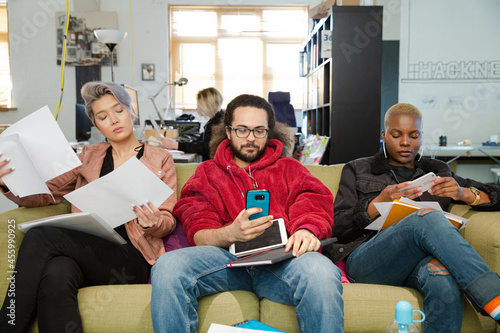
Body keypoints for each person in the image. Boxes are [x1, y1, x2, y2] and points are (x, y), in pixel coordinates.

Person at [150, 94, 344, 333]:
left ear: (269, 132)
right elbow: (199, 234)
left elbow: (313, 201)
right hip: (226, 264)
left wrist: (307, 229)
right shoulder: (206, 174)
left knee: (321, 270)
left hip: (282, 264)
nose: (251, 138)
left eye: (259, 130)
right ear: (228, 131)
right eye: (242, 130)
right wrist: (231, 233)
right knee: (168, 266)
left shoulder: (290, 169)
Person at [0, 82, 177, 332]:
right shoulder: (88, 155)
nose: (114, 120)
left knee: (40, 237)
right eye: (103, 116)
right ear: (96, 125)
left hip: (132, 257)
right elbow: (47, 194)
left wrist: (154, 222)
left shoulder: (161, 159)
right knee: (57, 271)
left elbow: (168, 219)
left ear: (131, 112)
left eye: (118, 111)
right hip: (89, 249)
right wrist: (9, 183)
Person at [324, 103, 500, 332]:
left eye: (414, 135)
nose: (406, 142)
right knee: (425, 217)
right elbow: (336, 227)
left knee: (441, 275)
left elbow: (495, 195)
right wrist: (378, 203)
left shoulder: (438, 170)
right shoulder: (358, 169)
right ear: (384, 135)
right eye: (397, 135)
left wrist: (463, 193)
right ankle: (494, 299)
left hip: (418, 263)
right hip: (369, 261)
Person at [161, 87, 224, 161]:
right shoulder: (215, 119)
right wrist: (175, 144)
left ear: (207, 106)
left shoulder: (218, 123)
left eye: (199, 105)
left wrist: (176, 145)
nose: (197, 108)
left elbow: (205, 148)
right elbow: (201, 140)